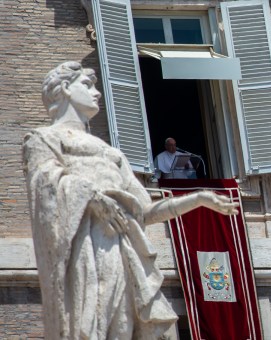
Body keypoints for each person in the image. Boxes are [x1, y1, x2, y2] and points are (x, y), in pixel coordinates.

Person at [23, 61, 238, 339]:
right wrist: (91, 197)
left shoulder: (112, 154)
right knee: (89, 325)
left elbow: (146, 211)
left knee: (123, 327)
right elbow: (44, 185)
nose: (97, 93)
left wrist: (197, 199)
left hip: (121, 250)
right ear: (65, 88)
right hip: (82, 247)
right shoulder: (43, 139)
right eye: (87, 85)